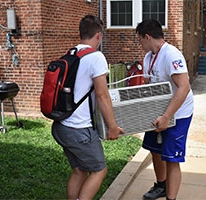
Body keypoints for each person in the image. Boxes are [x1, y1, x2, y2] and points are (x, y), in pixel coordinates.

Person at [51, 15, 124, 200]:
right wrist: (112, 126)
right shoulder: (95, 57)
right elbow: (102, 94)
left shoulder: (71, 53)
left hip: (61, 126)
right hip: (79, 130)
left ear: (80, 34)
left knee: (79, 170)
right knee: (99, 170)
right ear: (98, 35)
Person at [136, 19, 194, 200]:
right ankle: (161, 185)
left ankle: (171, 198)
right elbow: (147, 86)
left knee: (171, 157)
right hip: (158, 111)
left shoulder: (171, 55)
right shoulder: (148, 57)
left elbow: (184, 87)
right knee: (155, 150)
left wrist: (167, 116)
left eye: (140, 40)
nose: (140, 44)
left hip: (178, 113)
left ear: (147, 37)